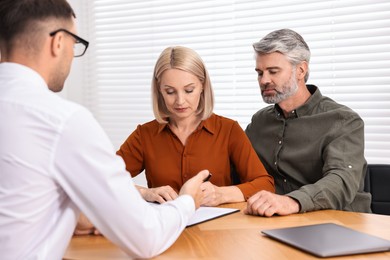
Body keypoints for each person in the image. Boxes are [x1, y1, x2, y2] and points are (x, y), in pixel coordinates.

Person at [0, 0, 210, 259]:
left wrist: (74, 214)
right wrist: (187, 201)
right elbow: (145, 238)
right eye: (75, 44)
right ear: (58, 43)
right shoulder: (62, 121)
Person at [117, 46, 275, 206]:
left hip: (219, 228)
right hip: (166, 228)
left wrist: (222, 194)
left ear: (202, 86)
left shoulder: (228, 130)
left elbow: (265, 184)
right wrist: (145, 193)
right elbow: (101, 180)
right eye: (170, 92)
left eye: (189, 90)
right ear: (160, 90)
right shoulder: (144, 135)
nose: (180, 101)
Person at [244, 29, 372, 217]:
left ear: (301, 70)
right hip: (282, 225)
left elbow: (341, 180)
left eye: (273, 71)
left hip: (341, 225)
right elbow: (238, 168)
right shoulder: (259, 122)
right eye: (259, 73)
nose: (264, 80)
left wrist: (291, 201)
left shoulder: (343, 120)